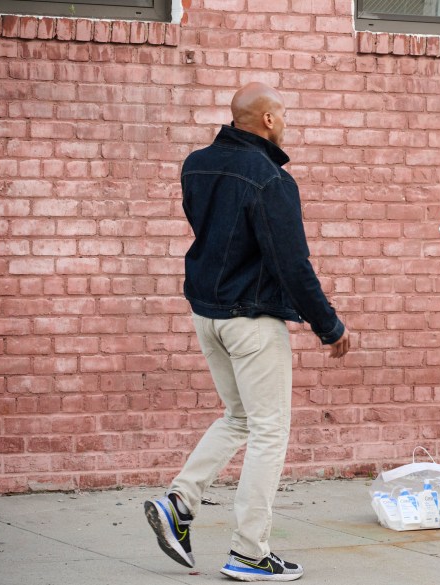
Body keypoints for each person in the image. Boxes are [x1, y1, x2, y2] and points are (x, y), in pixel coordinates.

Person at [144, 82, 350, 582]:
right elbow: (291, 264)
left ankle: (178, 501)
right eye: (284, 114)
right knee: (269, 431)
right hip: (252, 322)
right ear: (269, 121)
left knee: (239, 417)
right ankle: (249, 553)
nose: (288, 123)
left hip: (206, 315)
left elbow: (210, 233)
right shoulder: (270, 178)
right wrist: (329, 326)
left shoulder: (196, 164)